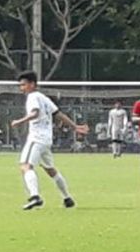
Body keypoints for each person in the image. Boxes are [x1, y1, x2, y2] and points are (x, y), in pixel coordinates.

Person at [10, 72, 89, 211]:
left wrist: (19, 121)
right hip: (47, 139)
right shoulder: (43, 98)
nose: (21, 88)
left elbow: (34, 113)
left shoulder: (33, 97)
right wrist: (75, 127)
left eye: (23, 84)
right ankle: (67, 198)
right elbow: (59, 114)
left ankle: (35, 197)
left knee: (25, 166)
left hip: (37, 138)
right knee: (50, 170)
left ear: (32, 84)